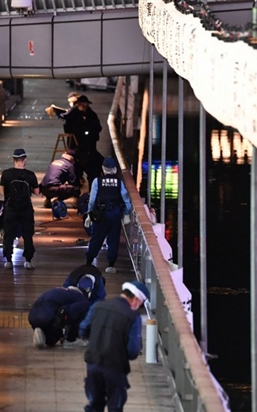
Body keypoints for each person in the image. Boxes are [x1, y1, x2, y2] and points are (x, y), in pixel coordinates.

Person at [79, 280, 150, 412]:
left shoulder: (98, 306)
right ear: (135, 299)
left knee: (94, 404)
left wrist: (96, 339)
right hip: (115, 367)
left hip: (93, 363)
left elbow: (83, 329)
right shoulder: (133, 317)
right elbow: (133, 350)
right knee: (115, 406)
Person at [84, 157, 132, 273]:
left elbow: (92, 200)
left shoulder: (97, 181)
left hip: (100, 213)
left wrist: (89, 214)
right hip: (115, 213)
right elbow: (126, 200)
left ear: (103, 169)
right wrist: (126, 214)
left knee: (96, 237)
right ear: (115, 169)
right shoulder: (119, 182)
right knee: (113, 239)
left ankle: (89, 261)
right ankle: (111, 265)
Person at [0, 148, 39, 269]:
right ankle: (27, 260)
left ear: (13, 160)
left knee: (9, 234)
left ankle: (8, 260)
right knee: (27, 234)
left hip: (11, 209)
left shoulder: (6, 174)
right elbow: (37, 192)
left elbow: (2, 191)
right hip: (26, 209)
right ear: (25, 160)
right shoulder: (30, 175)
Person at [60, 95, 104, 187]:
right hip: (76, 146)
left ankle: (90, 186)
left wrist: (89, 132)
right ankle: (77, 186)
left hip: (89, 146)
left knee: (91, 168)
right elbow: (68, 126)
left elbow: (97, 127)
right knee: (77, 168)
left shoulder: (91, 115)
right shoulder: (73, 114)